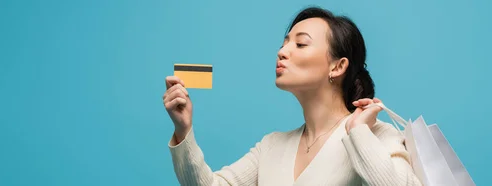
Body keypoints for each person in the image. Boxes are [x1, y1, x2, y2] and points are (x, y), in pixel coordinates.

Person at [162, 6, 422, 186]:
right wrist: (183, 129)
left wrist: (359, 133)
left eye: (300, 44)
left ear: (337, 67)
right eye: (284, 42)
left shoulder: (376, 134)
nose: (282, 51)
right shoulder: (272, 146)